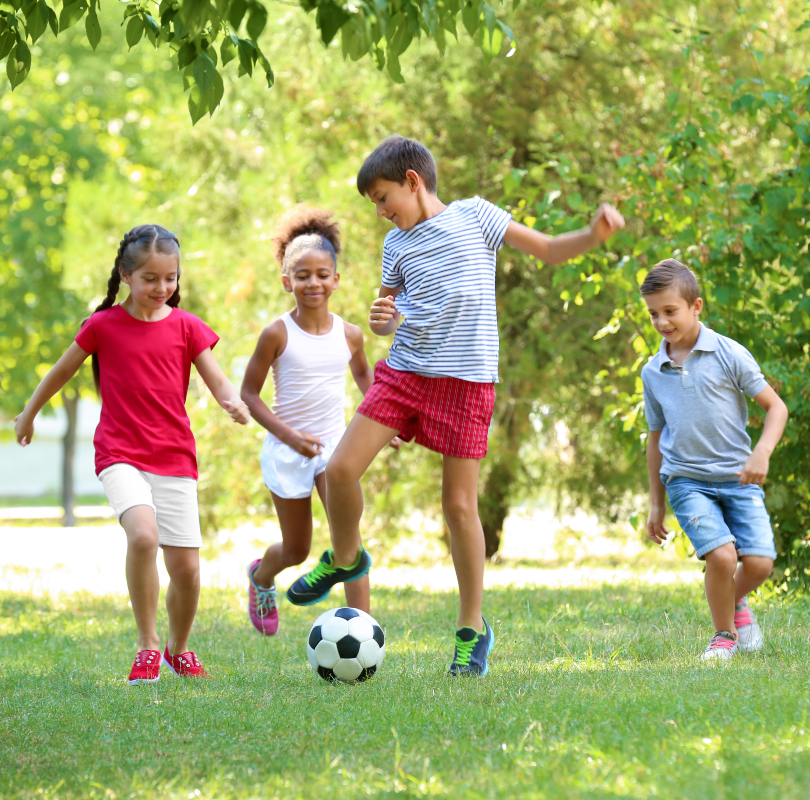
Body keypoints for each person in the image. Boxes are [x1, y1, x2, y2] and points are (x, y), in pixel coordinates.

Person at [285, 135, 625, 676]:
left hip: (467, 383)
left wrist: (592, 234)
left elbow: (546, 249)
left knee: (459, 507)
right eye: (373, 203)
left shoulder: (476, 217)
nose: (379, 212)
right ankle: (343, 558)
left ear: (413, 182)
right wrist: (383, 322)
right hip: (405, 373)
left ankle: (472, 630)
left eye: (382, 197)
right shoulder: (395, 246)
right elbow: (392, 312)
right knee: (342, 469)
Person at [14, 225, 250, 685]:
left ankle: (177, 648)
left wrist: (231, 401)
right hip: (120, 450)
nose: (162, 288)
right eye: (150, 279)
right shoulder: (102, 326)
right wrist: (28, 413)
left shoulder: (187, 326)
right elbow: (60, 372)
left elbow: (216, 379)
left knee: (186, 570)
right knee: (143, 536)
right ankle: (146, 646)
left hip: (174, 455)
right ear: (126, 275)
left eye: (170, 278)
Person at [241, 206, 398, 635]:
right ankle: (260, 576)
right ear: (287, 281)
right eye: (303, 275)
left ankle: (363, 630)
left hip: (335, 448)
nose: (314, 283)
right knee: (297, 549)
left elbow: (366, 376)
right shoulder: (276, 334)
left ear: (336, 278)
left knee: (349, 542)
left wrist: (385, 419)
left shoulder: (349, 334)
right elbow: (249, 396)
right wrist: (290, 437)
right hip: (286, 448)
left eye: (322, 274)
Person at [641, 258, 788, 660]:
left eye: (670, 311)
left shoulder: (728, 353)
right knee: (722, 556)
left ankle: (734, 602)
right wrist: (656, 503)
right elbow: (655, 439)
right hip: (686, 479)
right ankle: (723, 635)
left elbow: (776, 408)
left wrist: (762, 453)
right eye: (654, 313)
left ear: (696, 306)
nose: (661, 321)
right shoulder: (652, 371)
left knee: (759, 563)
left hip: (739, 476)